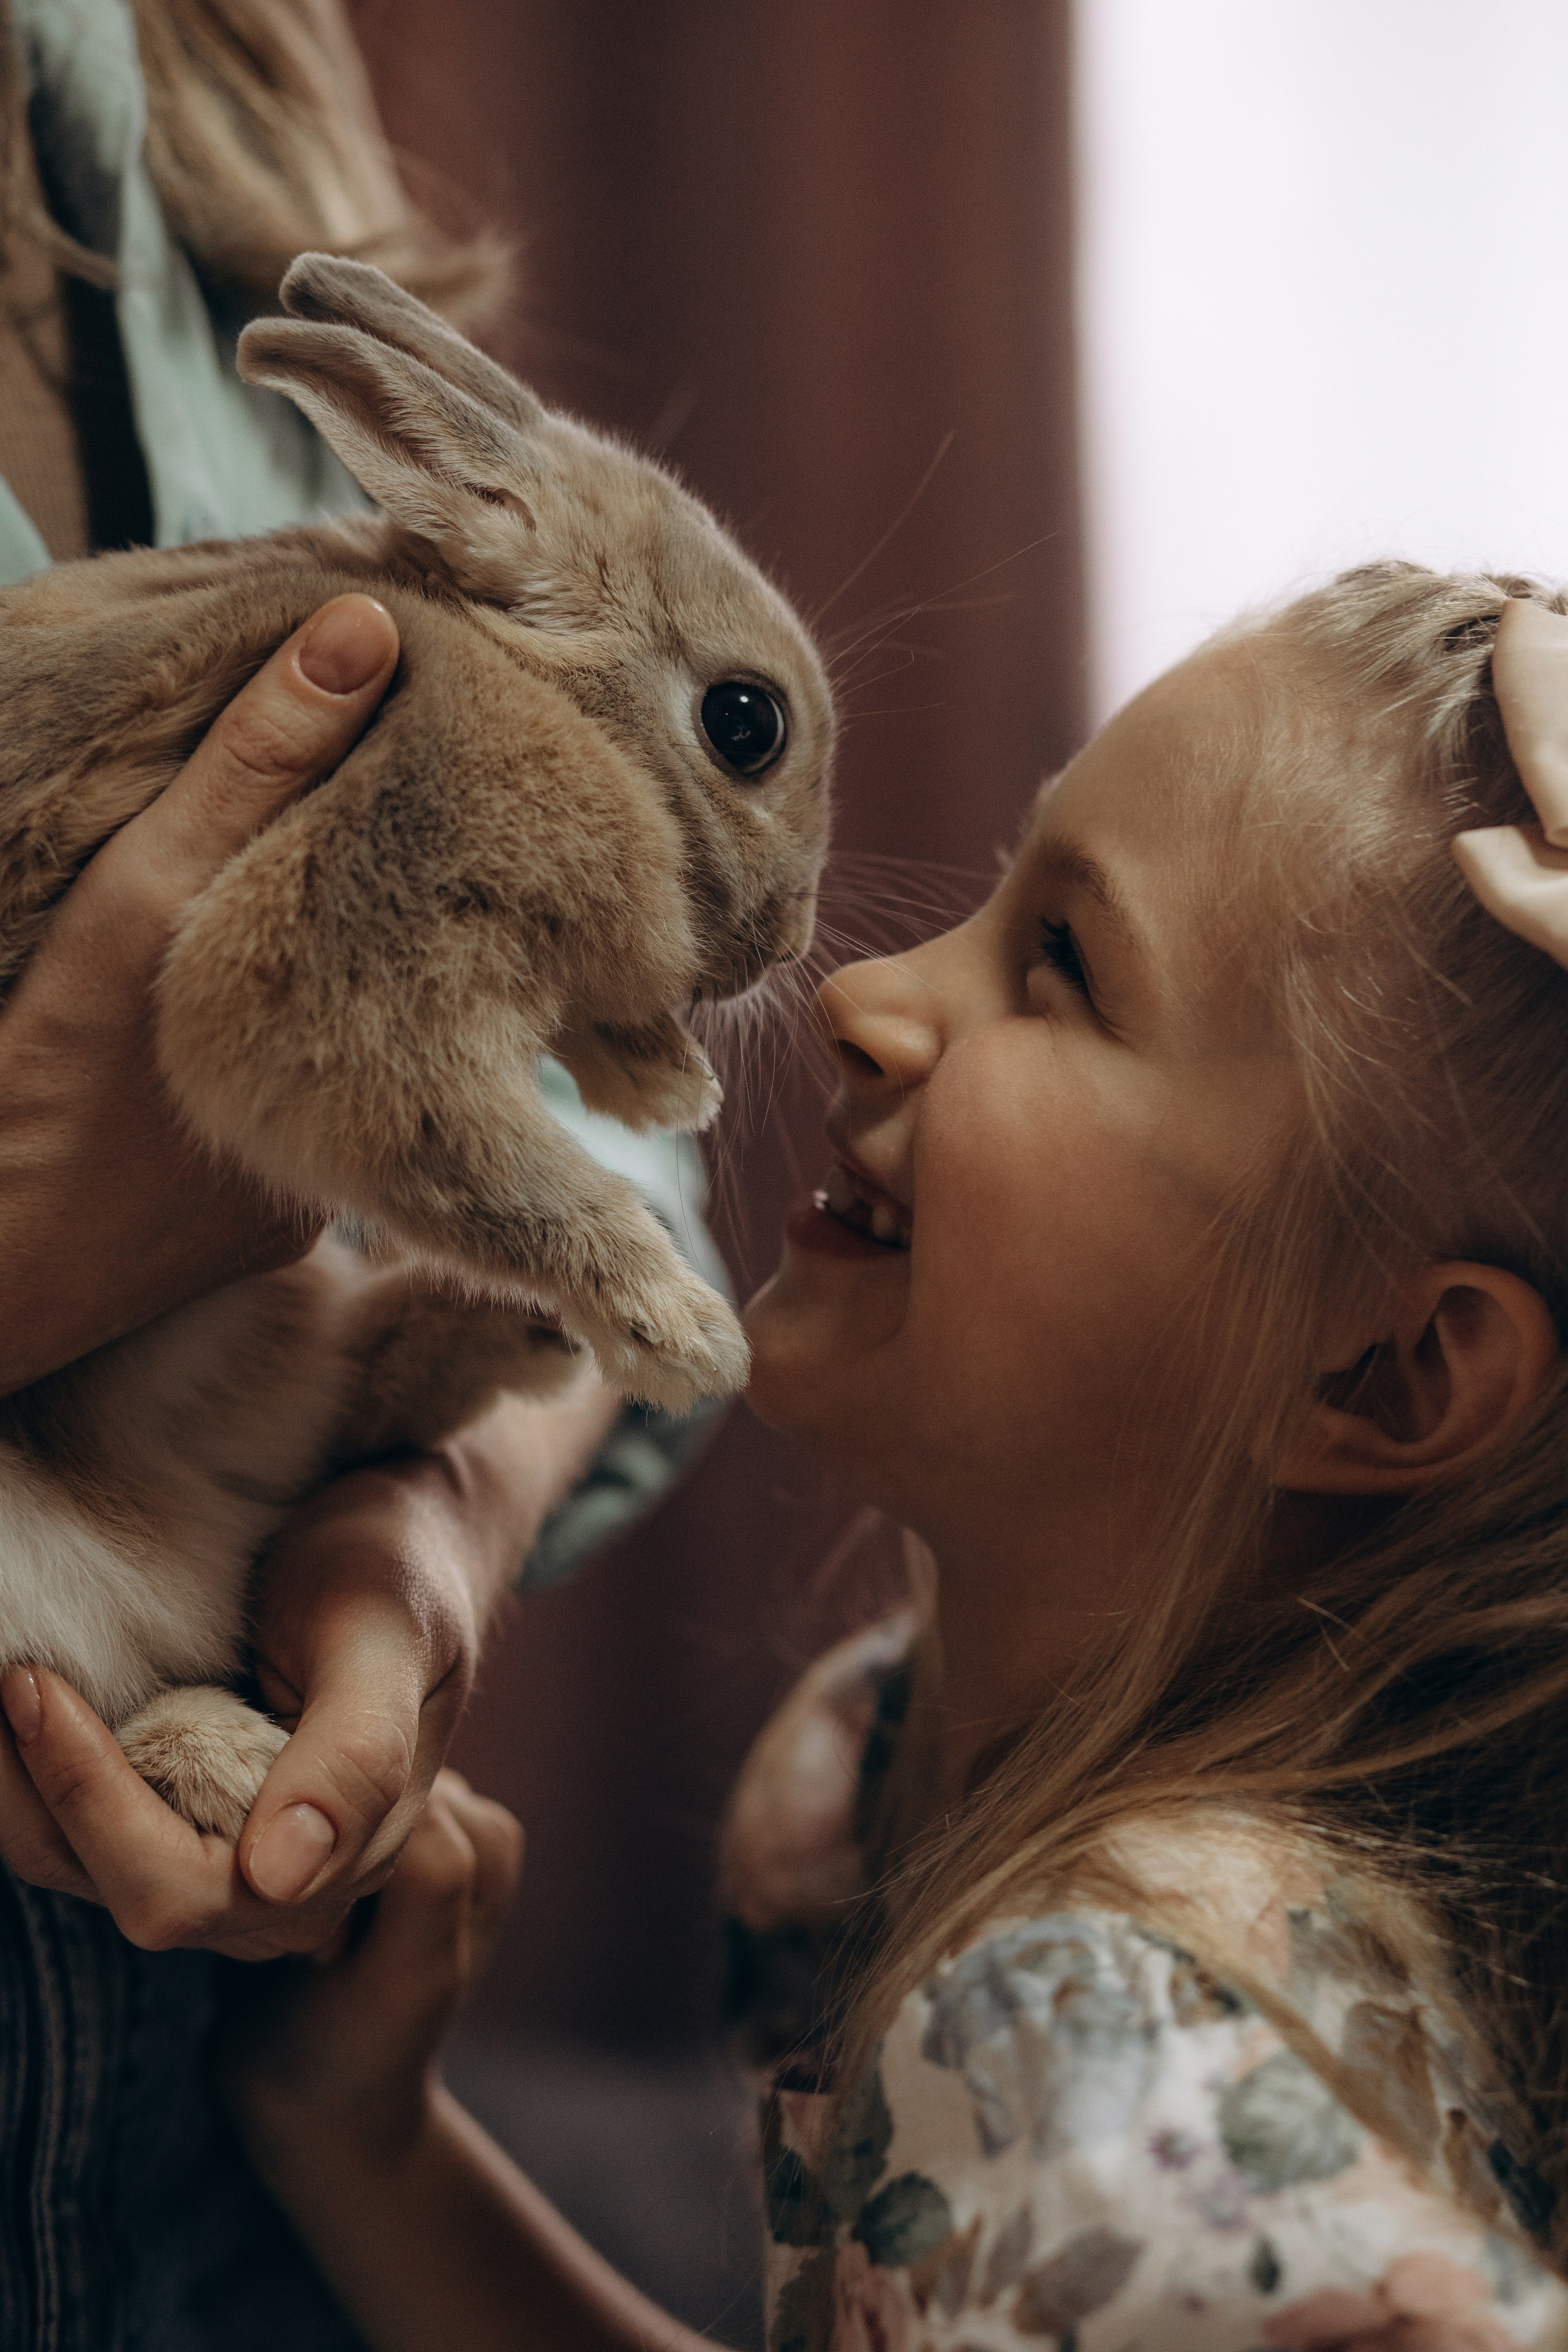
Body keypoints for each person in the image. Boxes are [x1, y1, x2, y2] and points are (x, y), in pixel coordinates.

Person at [24, 564, 1568, 2352]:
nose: (867, 991)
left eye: (1063, 963)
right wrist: (370, 2145)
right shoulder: (858, 1774)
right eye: (994, 891)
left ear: (1390, 1375)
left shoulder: (1097, 2081)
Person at [0, 2, 723, 2343]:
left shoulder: (192, 93)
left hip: (205, 2192)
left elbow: (605, 1186)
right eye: (746, 736)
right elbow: (331, 1070)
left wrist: (407, 1546)